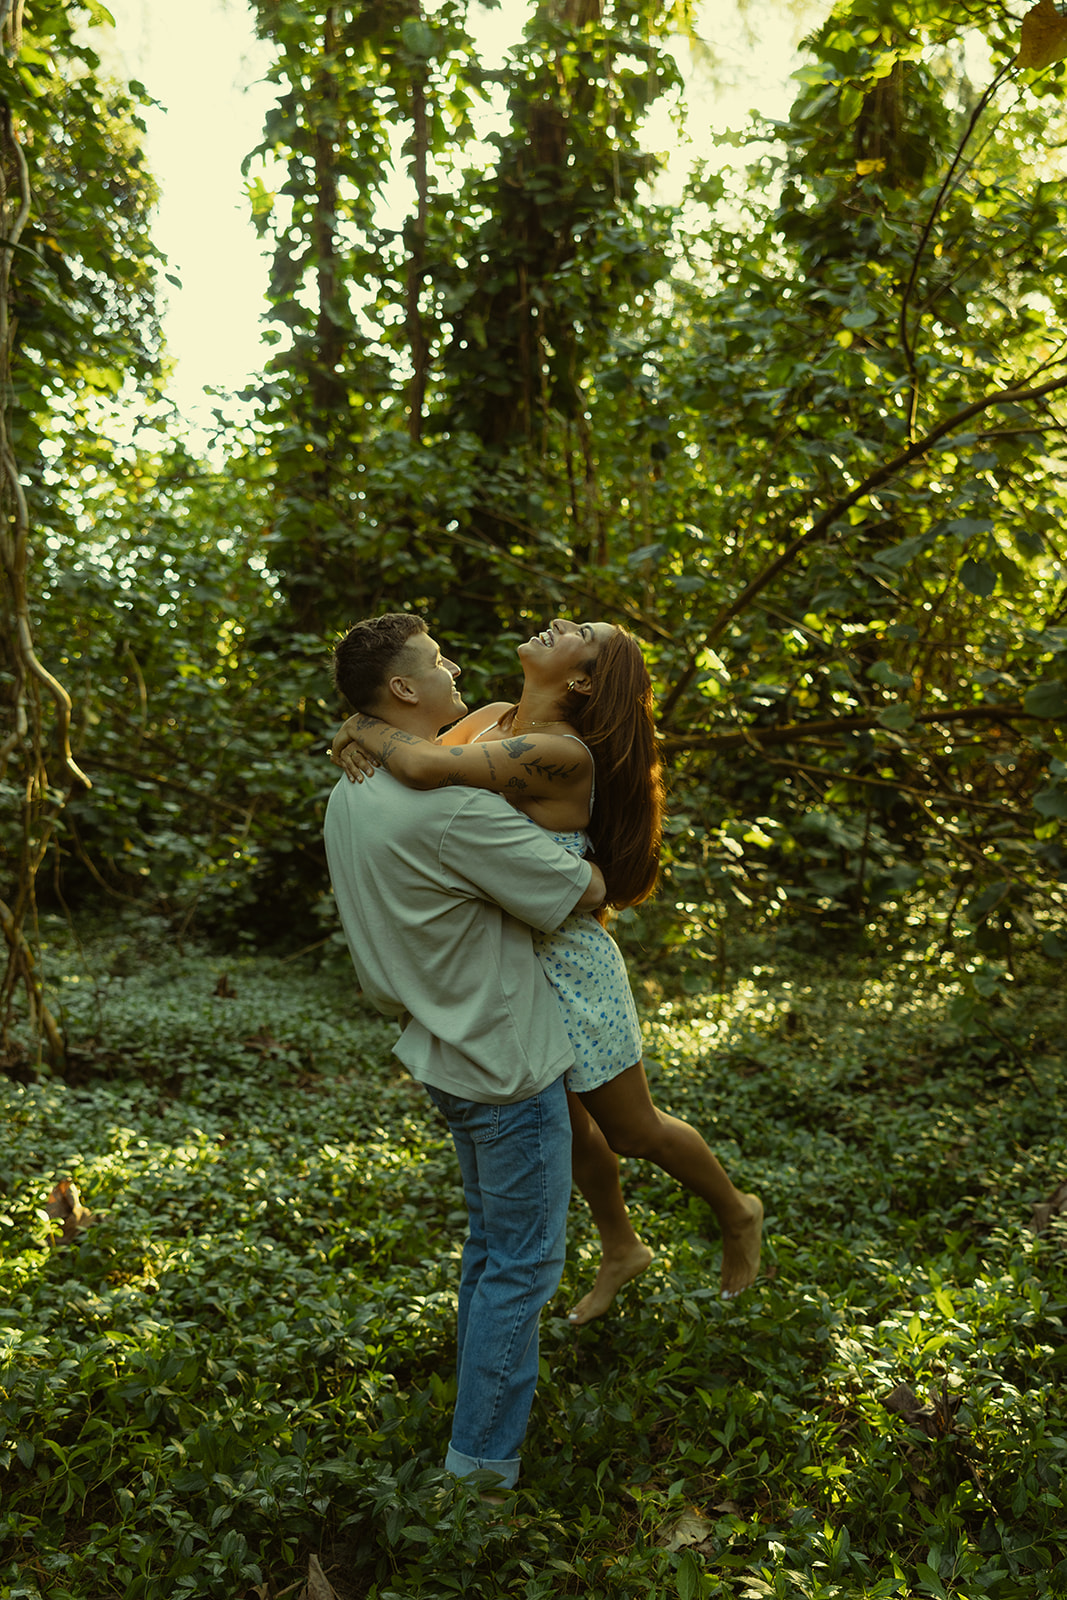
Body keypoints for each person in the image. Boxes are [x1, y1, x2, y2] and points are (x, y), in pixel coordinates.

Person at [332, 616, 763, 1324]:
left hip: (565, 954)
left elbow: (422, 766)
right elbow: (414, 752)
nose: (558, 621)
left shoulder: (562, 753)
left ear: (583, 679)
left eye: (579, 634)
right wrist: (360, 736)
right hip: (504, 952)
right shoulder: (494, 718)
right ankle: (621, 1247)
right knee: (565, 1125)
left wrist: (355, 727)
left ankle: (737, 1211)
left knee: (630, 1129)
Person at [323, 612, 607, 1493]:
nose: (452, 670)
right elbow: (580, 891)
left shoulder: (352, 787)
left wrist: (361, 728)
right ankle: (478, 1468)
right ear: (404, 688)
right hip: (506, 1061)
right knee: (523, 1264)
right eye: (436, 662)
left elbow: (476, 728)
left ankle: (470, 1430)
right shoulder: (448, 811)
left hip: (443, 1050)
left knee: (491, 1247)